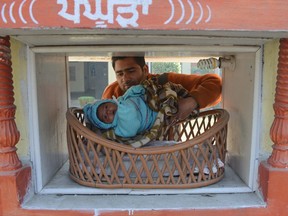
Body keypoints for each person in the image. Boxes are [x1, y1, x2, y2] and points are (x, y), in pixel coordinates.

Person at [102, 56, 222, 122]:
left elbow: (215, 83)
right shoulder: (112, 92)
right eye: (120, 74)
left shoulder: (165, 82)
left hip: (167, 155)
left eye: (131, 71)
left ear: (145, 70)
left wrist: (192, 100)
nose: (125, 78)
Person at [85, 75, 195, 138]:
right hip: (156, 116)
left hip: (151, 100)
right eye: (105, 117)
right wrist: (121, 108)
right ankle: (177, 105)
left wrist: (142, 89)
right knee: (170, 112)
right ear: (107, 125)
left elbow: (133, 92)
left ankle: (182, 99)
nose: (108, 112)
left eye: (106, 107)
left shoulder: (121, 99)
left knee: (167, 90)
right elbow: (132, 120)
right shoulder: (120, 128)